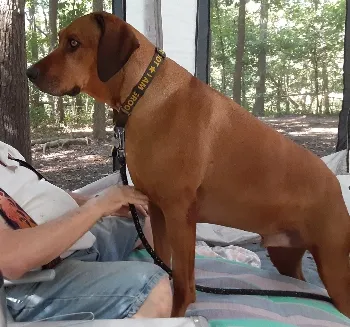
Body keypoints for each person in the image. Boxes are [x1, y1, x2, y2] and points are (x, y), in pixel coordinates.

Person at [0, 141, 172, 321]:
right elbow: (11, 260)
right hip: (38, 278)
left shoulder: (5, 150)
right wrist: (98, 206)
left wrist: (97, 202)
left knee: (145, 216)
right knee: (152, 287)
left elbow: (41, 192)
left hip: (73, 242)